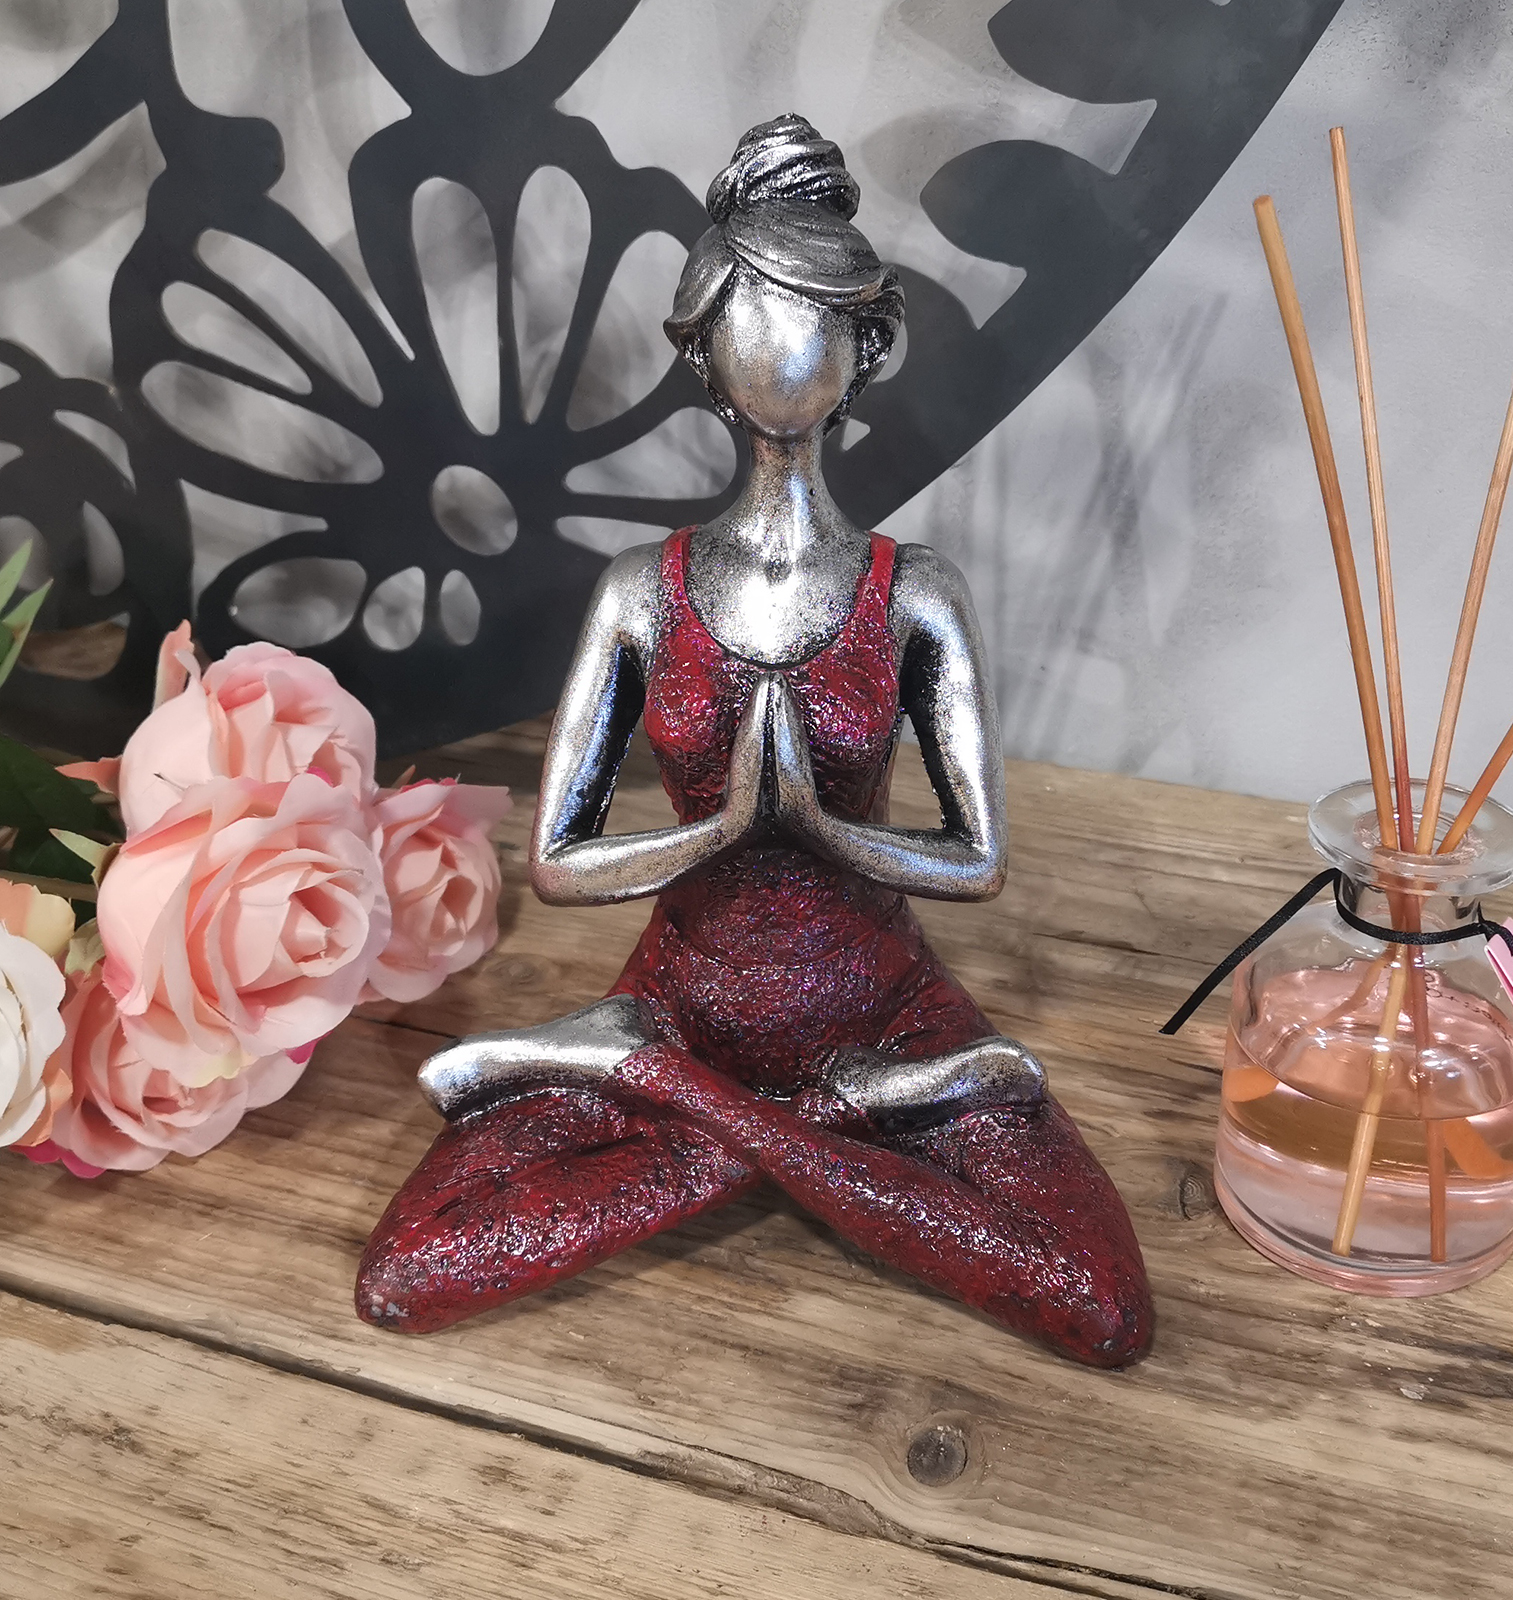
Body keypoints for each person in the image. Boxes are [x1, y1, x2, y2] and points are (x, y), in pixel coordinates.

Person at [357, 115, 1151, 1367]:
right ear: (704, 353)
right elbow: (556, 864)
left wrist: (818, 828)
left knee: (1095, 1297)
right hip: (678, 1003)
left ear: (864, 342)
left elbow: (979, 859)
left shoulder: (913, 591)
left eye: (814, 311)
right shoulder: (642, 590)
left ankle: (721, 1107)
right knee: (415, 1265)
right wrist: (724, 829)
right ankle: (764, 1108)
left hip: (887, 1016)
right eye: (753, 310)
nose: (783, 341)